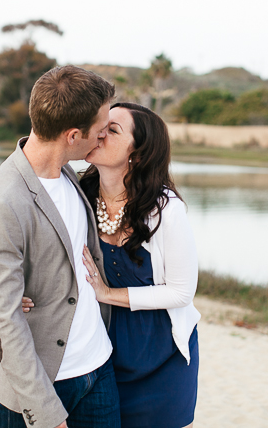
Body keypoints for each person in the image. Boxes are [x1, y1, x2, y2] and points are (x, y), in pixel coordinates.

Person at [23, 102, 201, 428]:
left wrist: (107, 293)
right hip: (99, 354)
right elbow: (40, 244)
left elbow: (182, 292)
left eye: (113, 130)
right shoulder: (77, 194)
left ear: (138, 153)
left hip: (162, 356)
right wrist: (22, 287)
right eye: (102, 125)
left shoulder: (166, 210)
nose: (100, 133)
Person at [0, 65, 121, 428]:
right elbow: (2, 316)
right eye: (100, 131)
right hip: (42, 386)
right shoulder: (4, 202)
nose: (103, 137)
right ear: (73, 136)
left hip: (98, 369)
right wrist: (45, 413)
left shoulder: (68, 172)